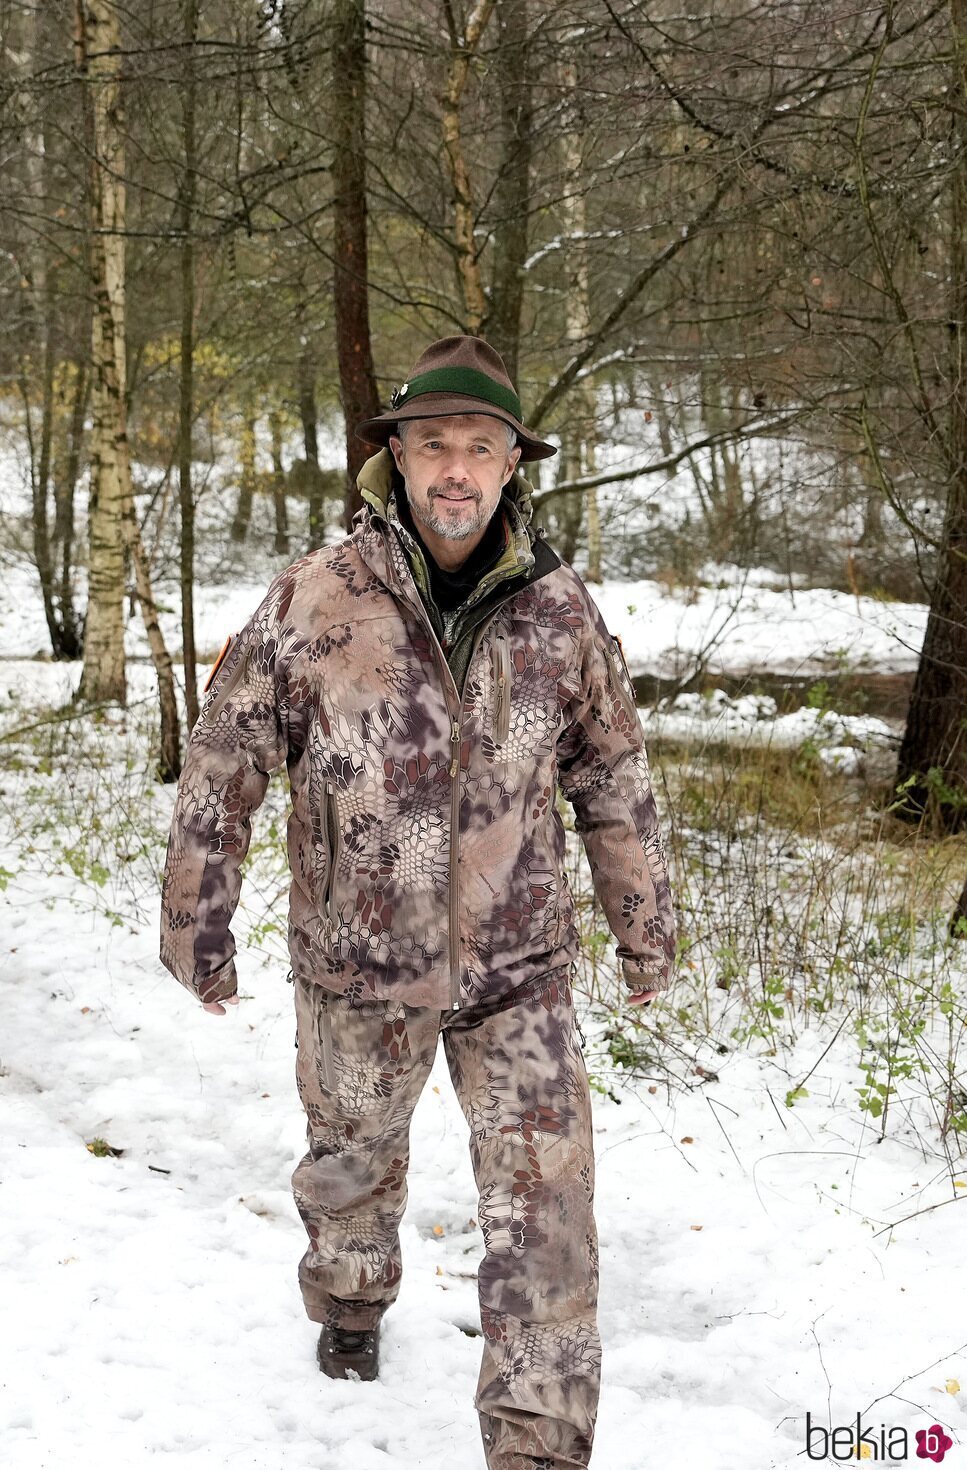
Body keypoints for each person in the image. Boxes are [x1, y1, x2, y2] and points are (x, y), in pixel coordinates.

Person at [159, 334, 676, 1470]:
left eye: (478, 449)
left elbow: (611, 772)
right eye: (432, 443)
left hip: (518, 970)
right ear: (393, 457)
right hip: (358, 960)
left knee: (545, 1212)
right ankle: (349, 1301)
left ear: (508, 467)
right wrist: (198, 921)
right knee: (350, 1163)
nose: (455, 468)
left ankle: (536, 1445)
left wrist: (644, 925)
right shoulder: (314, 596)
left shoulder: (558, 610)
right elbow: (224, 756)